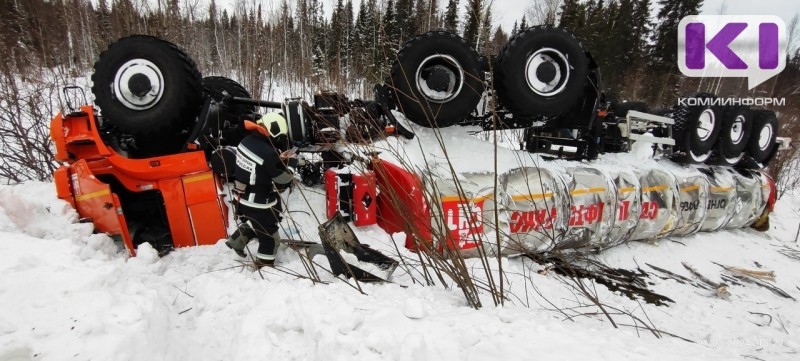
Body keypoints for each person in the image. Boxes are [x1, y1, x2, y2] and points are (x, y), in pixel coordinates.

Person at [225, 112, 297, 267]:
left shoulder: (246, 141)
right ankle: (263, 266)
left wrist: (278, 158)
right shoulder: (267, 152)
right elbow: (282, 179)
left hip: (244, 197)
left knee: (258, 222)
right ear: (275, 131)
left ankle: (236, 241)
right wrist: (292, 164)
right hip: (259, 202)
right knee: (270, 239)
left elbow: (260, 164)